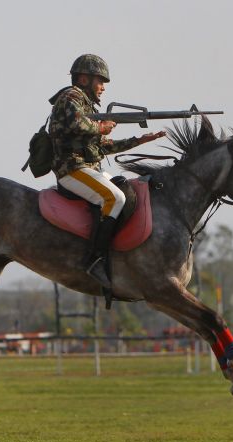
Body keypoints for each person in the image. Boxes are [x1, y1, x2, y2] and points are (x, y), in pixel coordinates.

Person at [49, 54, 165, 288]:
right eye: (100, 81)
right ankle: (95, 260)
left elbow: (102, 146)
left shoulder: (86, 104)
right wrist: (101, 127)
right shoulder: (70, 96)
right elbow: (77, 124)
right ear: (83, 78)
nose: (103, 88)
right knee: (114, 197)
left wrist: (139, 140)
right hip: (72, 169)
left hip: (89, 168)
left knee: (126, 188)